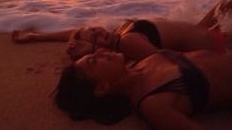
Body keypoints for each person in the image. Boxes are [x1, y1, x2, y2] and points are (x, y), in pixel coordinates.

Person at [12, 0, 232, 61]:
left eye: (94, 29)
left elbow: (73, 33)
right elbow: (170, 62)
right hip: (217, 42)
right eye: (95, 37)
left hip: (203, 28)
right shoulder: (128, 43)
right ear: (97, 50)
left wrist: (35, 37)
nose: (99, 31)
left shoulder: (119, 34)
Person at [54, 48, 232, 129]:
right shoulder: (152, 104)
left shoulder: (139, 63)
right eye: (94, 60)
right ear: (101, 87)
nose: (101, 51)